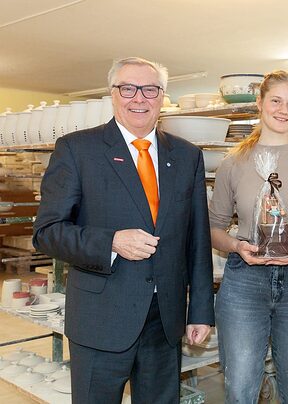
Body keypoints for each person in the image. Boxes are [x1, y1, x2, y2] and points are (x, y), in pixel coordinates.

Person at [32, 57, 215, 403]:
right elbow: (47, 231)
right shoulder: (76, 150)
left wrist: (201, 310)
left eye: (150, 89)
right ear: (112, 94)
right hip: (101, 320)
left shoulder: (188, 156)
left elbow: (197, 239)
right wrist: (111, 242)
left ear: (162, 97)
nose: (139, 98)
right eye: (128, 88)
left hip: (165, 322)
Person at [209, 70, 288, 403]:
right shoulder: (233, 163)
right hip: (244, 281)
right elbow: (214, 228)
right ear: (260, 103)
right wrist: (237, 246)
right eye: (276, 100)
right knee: (241, 388)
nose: (283, 109)